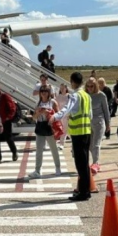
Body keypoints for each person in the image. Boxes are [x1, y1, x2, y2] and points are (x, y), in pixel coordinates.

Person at [50, 72, 92, 202]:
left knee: (80, 164)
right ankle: (86, 190)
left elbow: (66, 109)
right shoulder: (86, 95)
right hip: (86, 131)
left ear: (73, 82)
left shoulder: (75, 96)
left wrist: (55, 116)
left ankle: (84, 192)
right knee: (85, 163)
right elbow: (90, 114)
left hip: (78, 133)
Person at [29, 85, 61, 179]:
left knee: (53, 149)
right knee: (39, 150)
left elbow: (59, 114)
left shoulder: (52, 102)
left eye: (46, 91)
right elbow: (34, 117)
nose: (43, 92)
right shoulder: (38, 103)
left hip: (49, 126)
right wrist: (38, 113)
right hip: (40, 126)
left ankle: (58, 167)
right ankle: (37, 170)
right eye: (42, 91)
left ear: (49, 92)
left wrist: (49, 113)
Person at [0, 82, 18, 164]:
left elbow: (12, 108)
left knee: (8, 137)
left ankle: (14, 152)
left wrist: (8, 118)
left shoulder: (5, 96)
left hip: (5, 121)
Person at [88, 77, 110, 174]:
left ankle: (95, 163)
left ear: (96, 85)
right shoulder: (86, 95)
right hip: (88, 123)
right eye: (88, 86)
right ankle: (95, 162)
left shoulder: (101, 95)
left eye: (92, 86)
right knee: (90, 145)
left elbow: (106, 110)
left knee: (96, 144)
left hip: (99, 122)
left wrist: (108, 123)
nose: (90, 88)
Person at [54, 84, 70, 149]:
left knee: (65, 130)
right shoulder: (58, 96)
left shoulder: (69, 96)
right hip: (60, 115)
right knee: (59, 129)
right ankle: (57, 143)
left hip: (67, 116)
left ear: (66, 88)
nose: (62, 89)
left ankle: (62, 144)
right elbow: (55, 105)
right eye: (61, 88)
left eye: (63, 88)